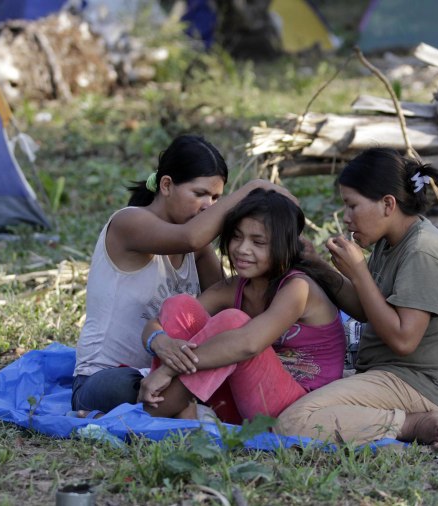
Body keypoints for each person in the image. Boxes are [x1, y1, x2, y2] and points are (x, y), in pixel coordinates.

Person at [72, 134, 289, 414]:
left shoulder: (197, 251)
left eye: (216, 197)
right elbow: (190, 238)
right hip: (102, 378)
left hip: (171, 374)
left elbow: (226, 306)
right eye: (199, 194)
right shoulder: (129, 222)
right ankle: (182, 408)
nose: (208, 206)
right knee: (129, 385)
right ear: (166, 185)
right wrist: (252, 189)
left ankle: (184, 407)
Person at [274, 147, 438, 447]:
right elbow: (368, 311)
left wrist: (360, 273)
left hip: (417, 386)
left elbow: (404, 340)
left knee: (293, 421)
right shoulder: (391, 240)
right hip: (386, 373)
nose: (347, 218)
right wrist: (317, 265)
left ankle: (407, 423)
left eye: (352, 206)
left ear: (388, 204)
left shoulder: (423, 251)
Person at [137, 188, 346, 422]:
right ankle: (172, 409)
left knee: (233, 323)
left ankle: (144, 415)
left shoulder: (298, 288)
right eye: (237, 236)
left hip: (294, 411)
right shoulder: (235, 287)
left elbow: (248, 344)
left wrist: (168, 370)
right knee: (180, 305)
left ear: (285, 246)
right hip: (241, 402)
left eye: (258, 242)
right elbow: (160, 322)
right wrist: (159, 341)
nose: (242, 249)